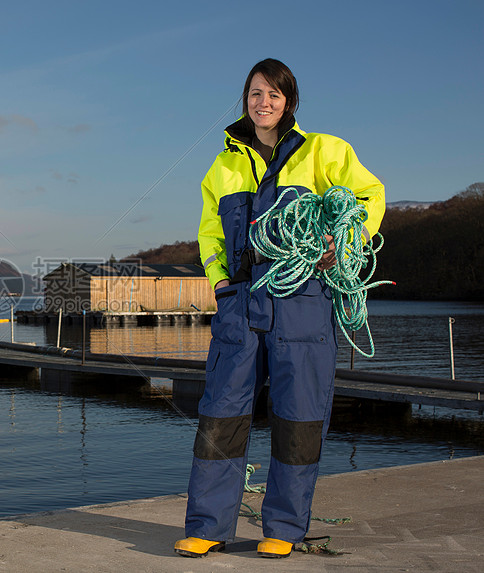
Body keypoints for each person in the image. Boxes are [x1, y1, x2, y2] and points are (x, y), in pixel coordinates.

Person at [175, 59, 385, 559]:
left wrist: (347, 239)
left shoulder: (325, 151)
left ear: (289, 101)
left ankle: (284, 529)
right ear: (244, 101)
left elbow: (370, 196)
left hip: (304, 299)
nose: (262, 102)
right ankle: (209, 527)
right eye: (254, 94)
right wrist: (221, 282)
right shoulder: (223, 166)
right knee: (221, 414)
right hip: (241, 303)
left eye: (273, 94)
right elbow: (209, 232)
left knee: (299, 415)